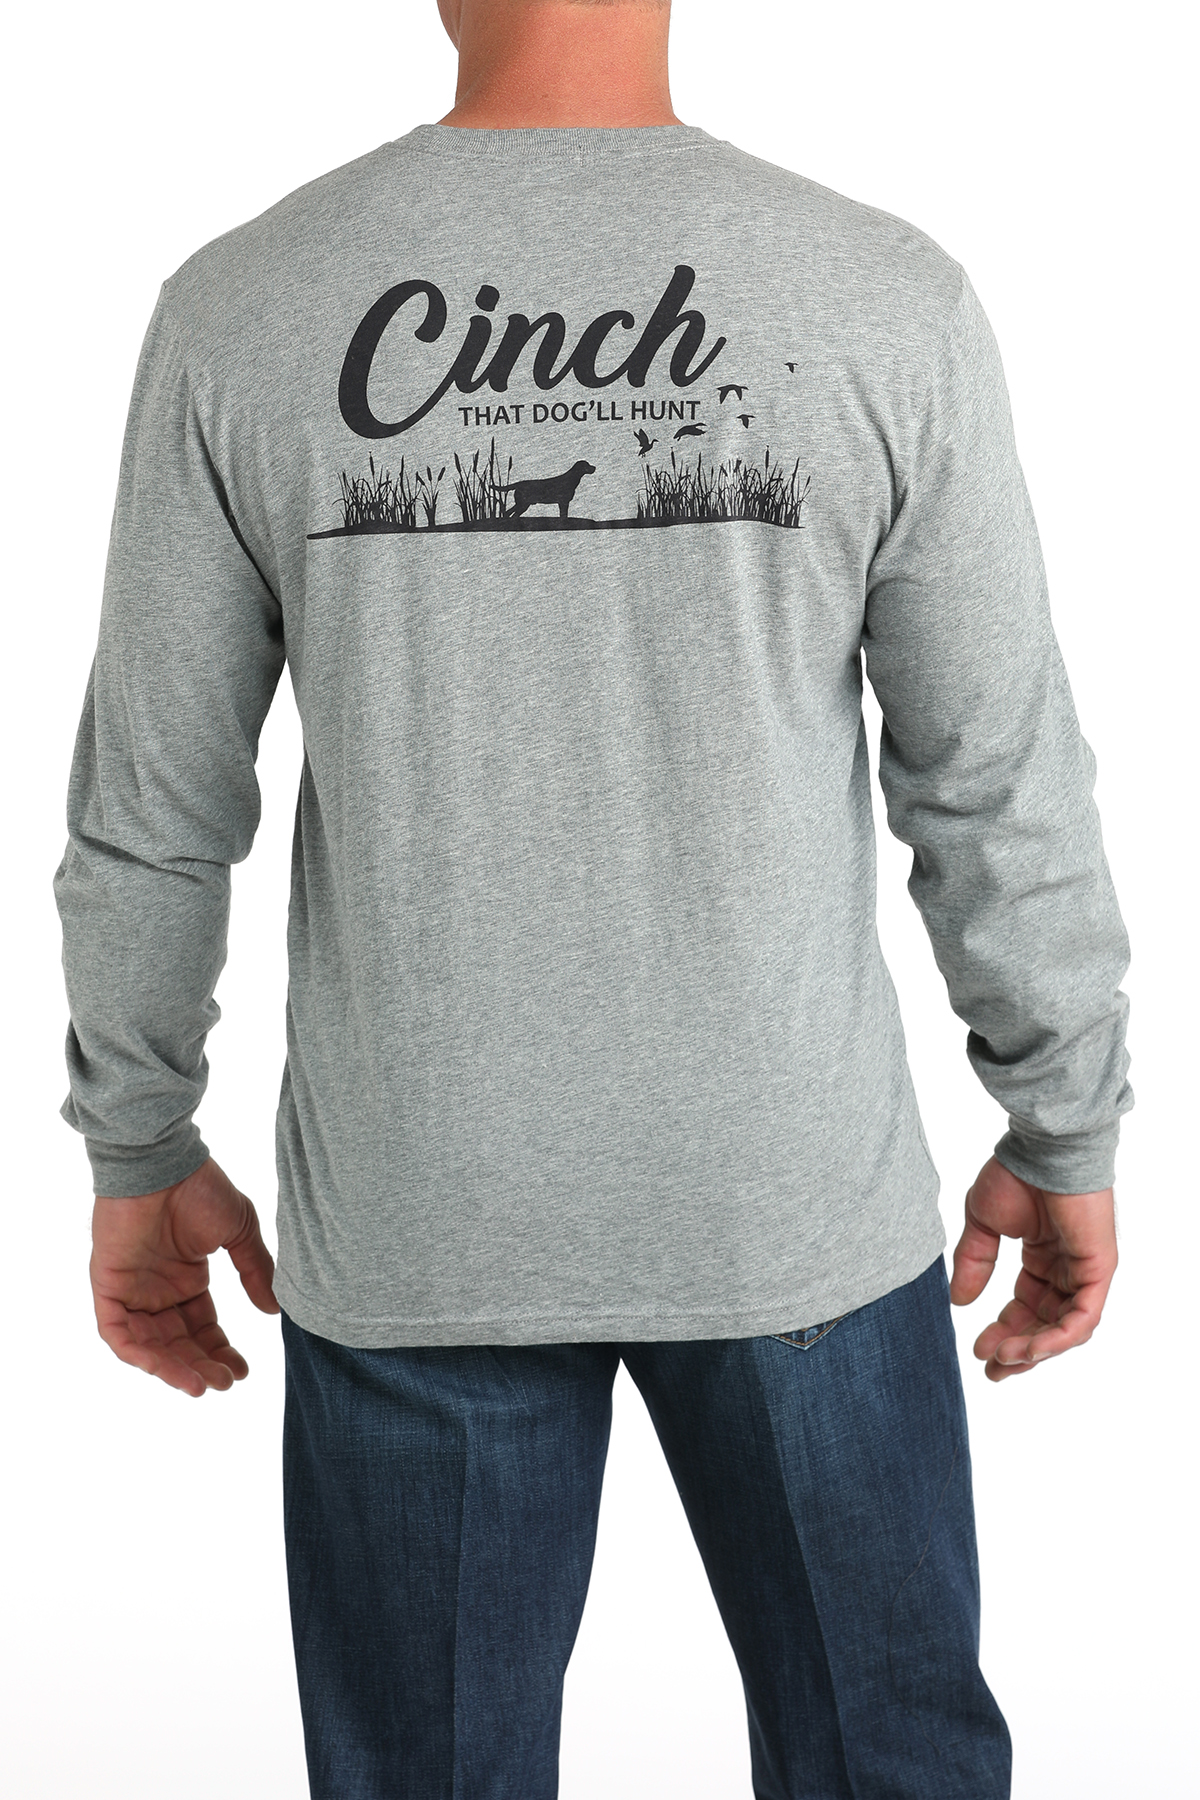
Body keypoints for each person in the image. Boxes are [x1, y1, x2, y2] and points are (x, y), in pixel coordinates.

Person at [55, 1, 1132, 1795]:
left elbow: (151, 814)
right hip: (790, 1197)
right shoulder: (886, 297)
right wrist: (1063, 1117)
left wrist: (138, 1146)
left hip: (423, 1207)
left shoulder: (243, 305)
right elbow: (995, 775)